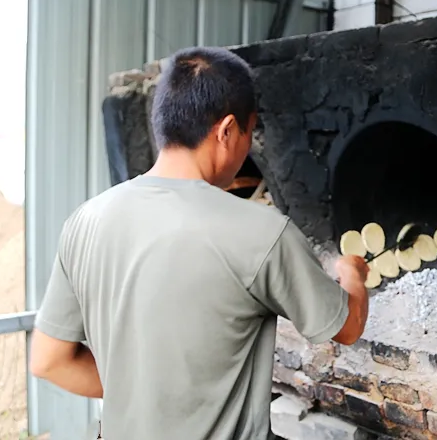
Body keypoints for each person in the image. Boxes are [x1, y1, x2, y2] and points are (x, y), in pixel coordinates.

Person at [29, 46, 370, 440]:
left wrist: (141, 396)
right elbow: (346, 328)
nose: (246, 150)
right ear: (227, 131)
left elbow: (49, 361)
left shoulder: (85, 221)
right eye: (248, 133)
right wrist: (352, 275)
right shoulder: (261, 232)